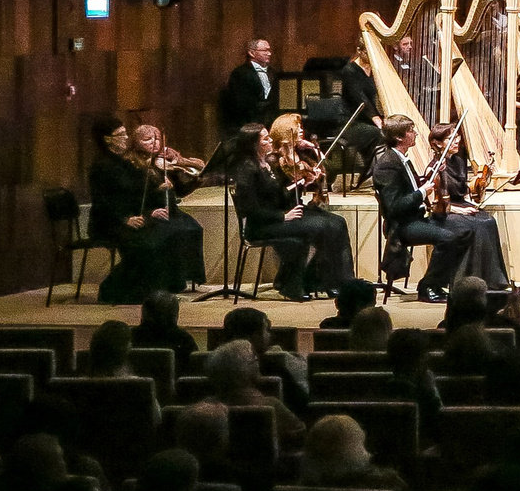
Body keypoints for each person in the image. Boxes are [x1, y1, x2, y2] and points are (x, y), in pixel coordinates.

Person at [371, 116, 509, 300]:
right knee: (448, 238)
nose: (416, 134)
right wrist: (422, 192)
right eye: (411, 131)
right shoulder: (387, 164)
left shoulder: (402, 159)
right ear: (399, 137)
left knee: (467, 228)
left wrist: (426, 180)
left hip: (417, 217)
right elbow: (395, 206)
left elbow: (410, 187)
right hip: (403, 225)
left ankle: (461, 282)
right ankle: (428, 286)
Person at [231, 118, 353, 300]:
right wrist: (283, 216)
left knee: (338, 222)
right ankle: (323, 281)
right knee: (322, 226)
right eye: (265, 139)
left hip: (279, 216)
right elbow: (250, 210)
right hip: (263, 225)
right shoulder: (246, 170)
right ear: (253, 145)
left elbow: (281, 195)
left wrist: (303, 183)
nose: (271, 141)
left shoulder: (266, 164)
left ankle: (341, 281)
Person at [88, 116, 206, 302]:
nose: (126, 138)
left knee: (172, 231)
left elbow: (137, 191)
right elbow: (104, 202)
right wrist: (125, 219)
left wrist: (152, 199)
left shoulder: (123, 162)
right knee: (154, 239)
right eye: (121, 135)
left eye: (126, 133)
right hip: (110, 222)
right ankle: (118, 289)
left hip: (135, 216)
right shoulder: (102, 166)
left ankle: (167, 284)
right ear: (107, 140)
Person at [217, 37, 281, 134]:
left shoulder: (273, 73)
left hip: (270, 124)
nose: (269, 53)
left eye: (269, 50)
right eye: (265, 50)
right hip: (249, 125)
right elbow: (240, 102)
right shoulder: (240, 73)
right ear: (252, 53)